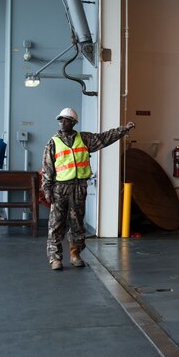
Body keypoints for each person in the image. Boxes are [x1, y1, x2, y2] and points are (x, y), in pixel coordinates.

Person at [42, 107, 135, 271]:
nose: (62, 123)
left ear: (73, 122)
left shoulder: (84, 139)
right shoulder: (53, 142)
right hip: (60, 188)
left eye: (65, 120)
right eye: (60, 120)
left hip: (79, 188)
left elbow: (105, 138)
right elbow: (47, 168)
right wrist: (47, 189)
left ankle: (75, 254)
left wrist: (123, 130)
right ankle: (55, 258)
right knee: (56, 224)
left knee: (77, 223)